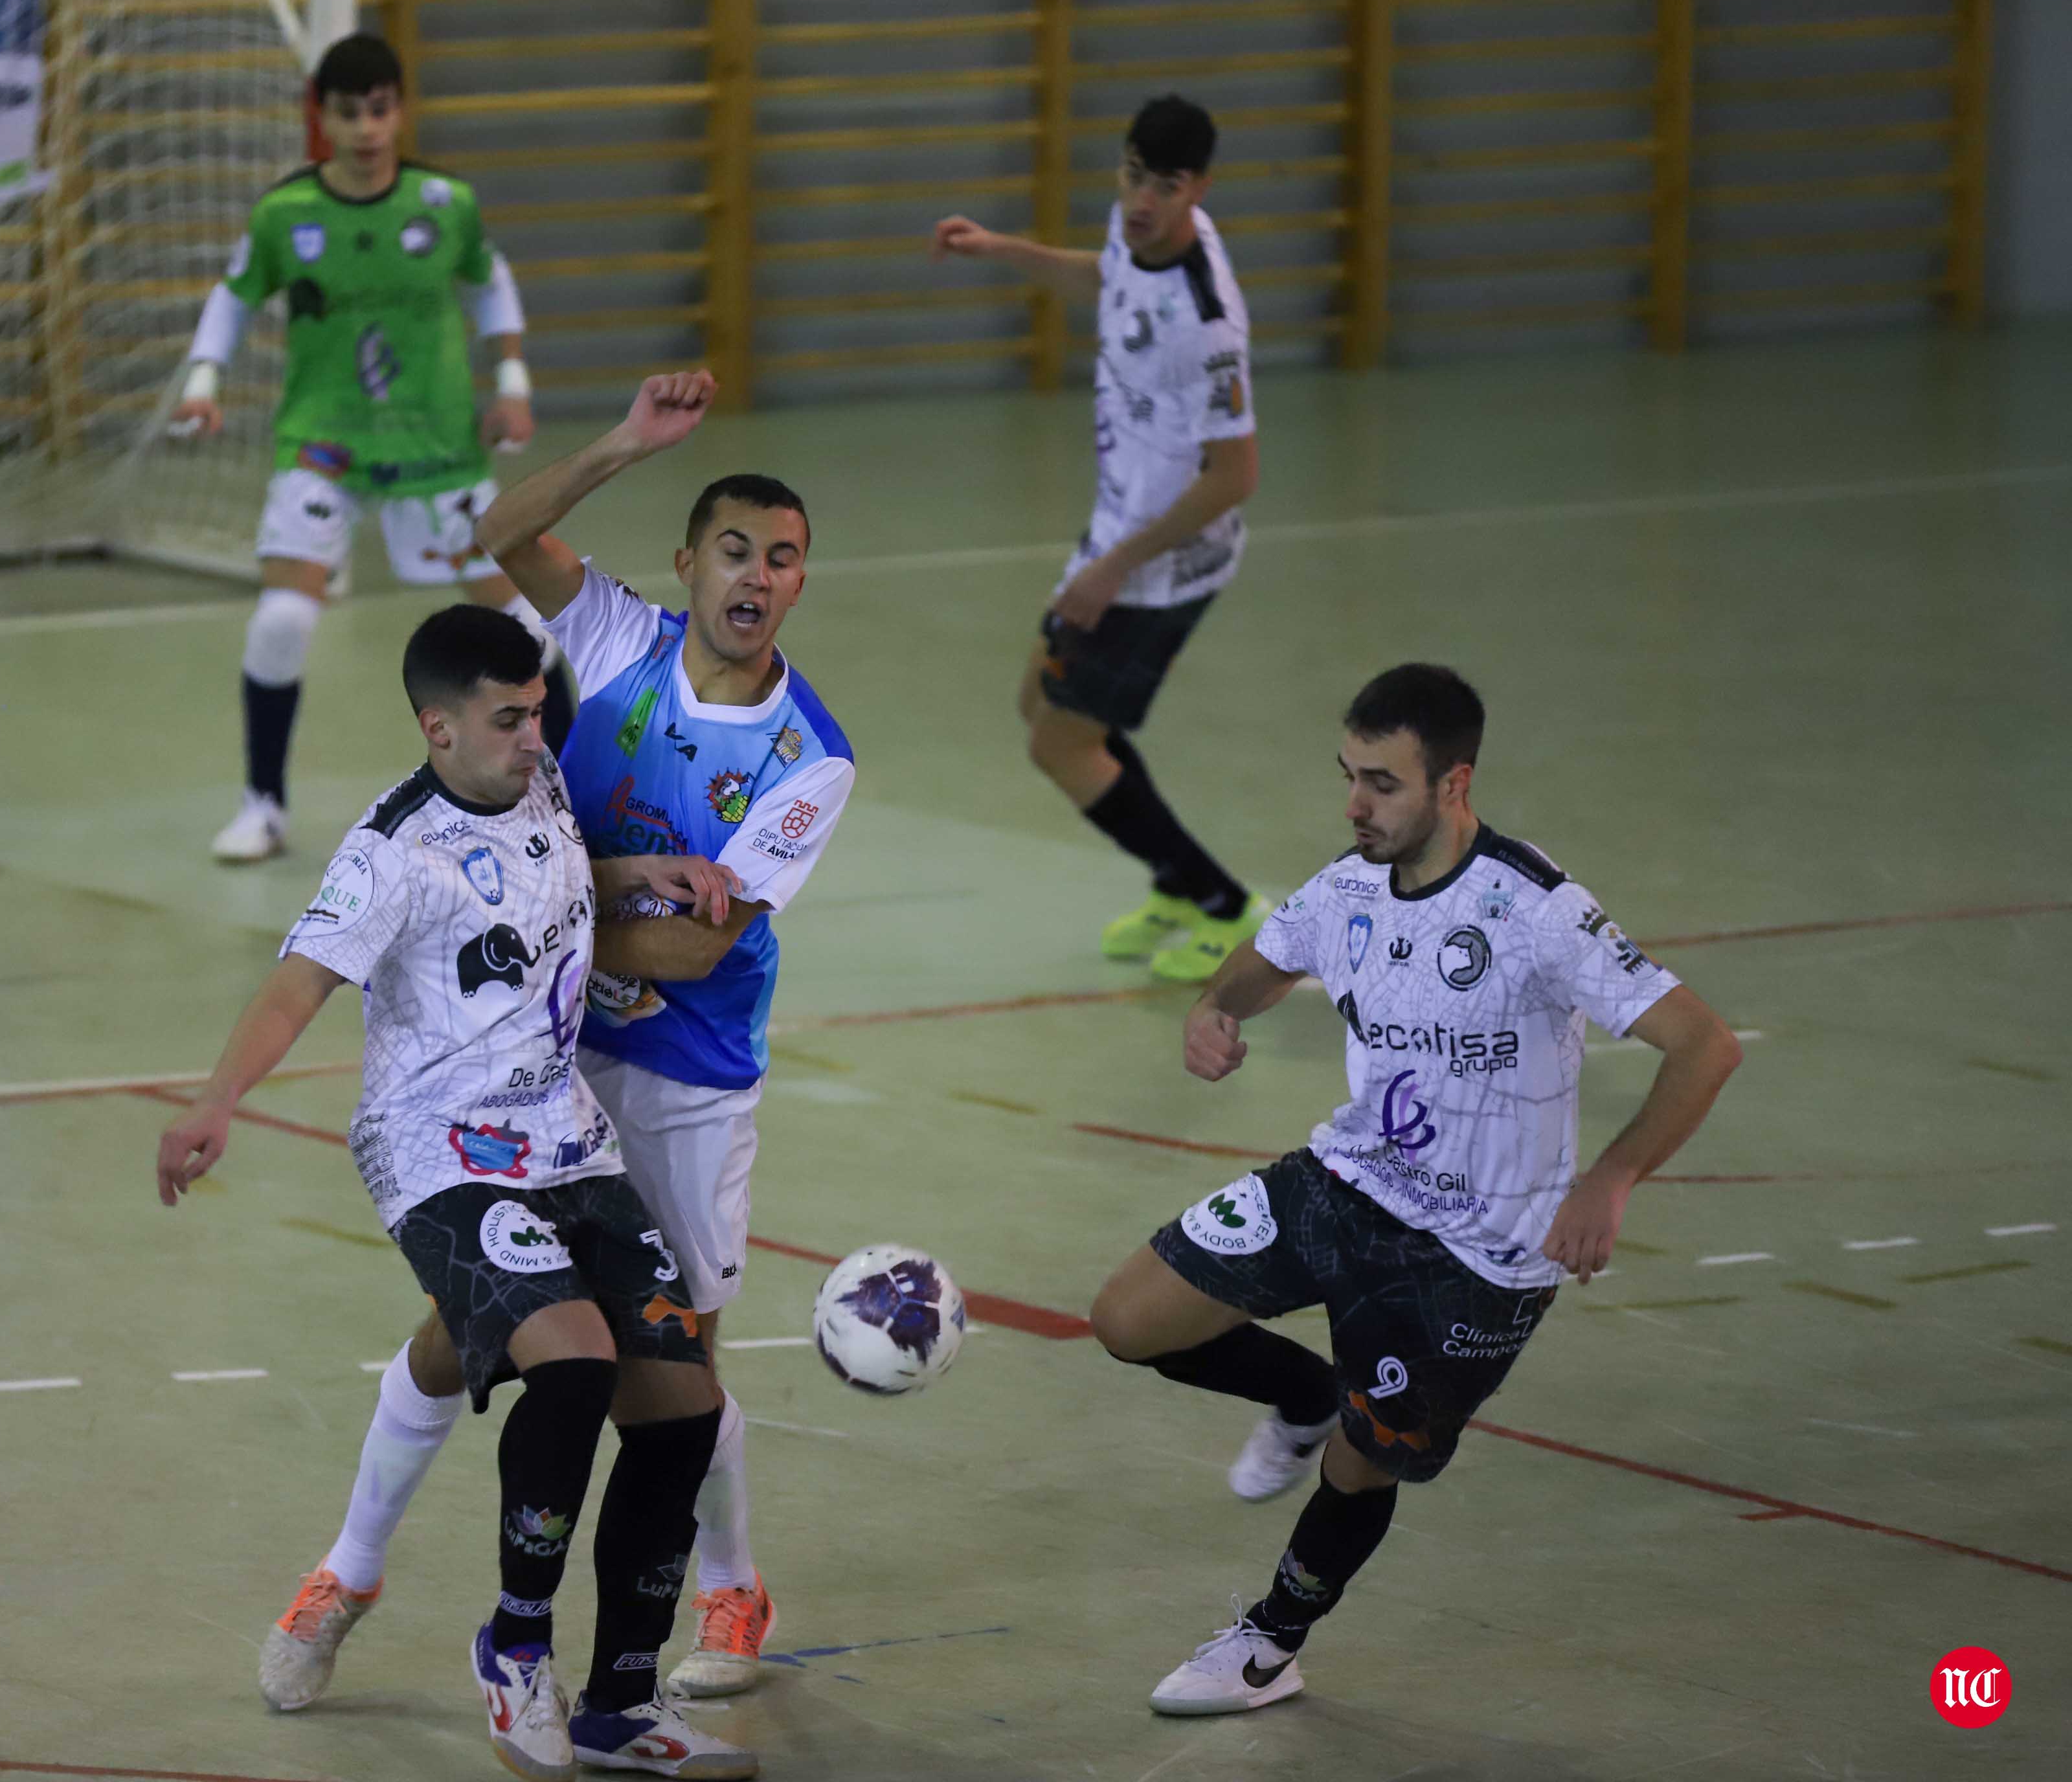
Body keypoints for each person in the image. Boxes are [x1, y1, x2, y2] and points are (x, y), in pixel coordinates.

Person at [257, 371, 854, 1714]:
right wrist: (625, 445)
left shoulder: (811, 755)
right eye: (737, 550)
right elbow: (499, 533)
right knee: (465, 1324)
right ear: (688, 564)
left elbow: (700, 946)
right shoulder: (617, 634)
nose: (759, 577)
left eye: (787, 558)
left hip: (690, 1078)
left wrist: (549, 923)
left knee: (674, 1361)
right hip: (547, 1058)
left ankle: (733, 1585)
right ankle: (348, 1571)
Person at [155, 604, 756, 1779]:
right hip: (437, 1150)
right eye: (509, 718)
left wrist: (653, 873)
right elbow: (297, 982)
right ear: (439, 728)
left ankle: (620, 1704)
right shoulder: (391, 851)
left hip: (566, 1139)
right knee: (574, 1364)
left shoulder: (539, 788)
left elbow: (562, 876)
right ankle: (515, 1647)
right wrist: (216, 1099)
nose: (538, 737)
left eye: (539, 710)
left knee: (684, 1404)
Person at [1085, 663, 1742, 1715]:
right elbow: (1262, 959)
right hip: (1351, 1180)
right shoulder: (1346, 884)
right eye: (1349, 776)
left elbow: (1705, 1045)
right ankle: (1300, 1394)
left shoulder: (1534, 909)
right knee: (1127, 1317)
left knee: (1365, 1460)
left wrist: (1611, 1179)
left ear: (1454, 782)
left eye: (1383, 783)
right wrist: (1217, 1011)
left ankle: (1269, 1644)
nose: (1356, 805)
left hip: (1477, 1258)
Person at [168, 33, 568, 864]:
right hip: (323, 445)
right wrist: (204, 378)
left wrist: (514, 382)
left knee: (527, 628)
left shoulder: (443, 202)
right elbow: (234, 297)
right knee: (279, 619)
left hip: (435, 446)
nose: (366, 129)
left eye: (380, 110)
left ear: (400, 111)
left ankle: (566, 793)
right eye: (348, 113)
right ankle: (263, 805)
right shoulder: (286, 214)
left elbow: (488, 281)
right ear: (322, 118)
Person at [931, 92, 1268, 982]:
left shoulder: (1210, 326)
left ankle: (1224, 906)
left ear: (1198, 187)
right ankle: (1171, 876)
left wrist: (1111, 571)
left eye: (1164, 185)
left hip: (1166, 563)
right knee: (1042, 710)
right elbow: (1109, 277)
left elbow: (1235, 477)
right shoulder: (1135, 233)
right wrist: (1001, 251)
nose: (1141, 200)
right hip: (1118, 530)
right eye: (1131, 176)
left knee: (1060, 741)